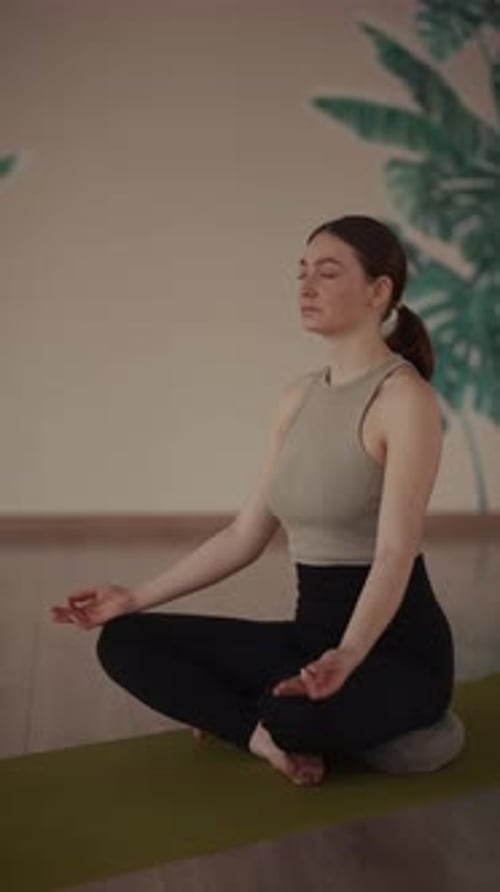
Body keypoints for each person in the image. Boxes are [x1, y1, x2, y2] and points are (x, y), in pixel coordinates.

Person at [51, 215, 455, 787]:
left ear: (379, 290)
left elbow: (394, 551)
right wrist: (134, 595)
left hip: (393, 652)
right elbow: (245, 534)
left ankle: (263, 720)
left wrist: (347, 655)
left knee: (293, 709)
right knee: (126, 639)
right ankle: (261, 738)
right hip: (307, 641)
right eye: (302, 273)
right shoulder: (297, 397)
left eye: (328, 272)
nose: (306, 287)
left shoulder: (404, 399)